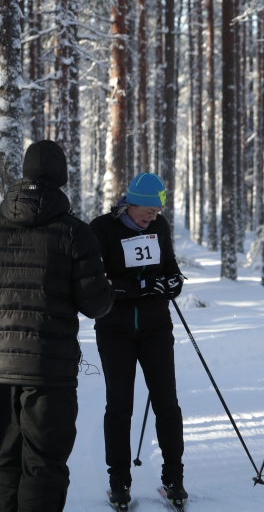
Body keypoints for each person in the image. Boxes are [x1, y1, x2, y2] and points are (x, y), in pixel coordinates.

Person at [0, 140, 115, 512]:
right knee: (44, 466)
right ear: (62, 177)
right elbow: (96, 304)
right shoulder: (74, 232)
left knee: (4, 463)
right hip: (49, 371)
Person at [89, 172, 187, 508]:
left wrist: (174, 282)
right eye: (147, 211)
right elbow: (98, 282)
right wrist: (141, 288)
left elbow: (170, 267)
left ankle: (174, 478)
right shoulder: (101, 228)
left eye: (157, 212)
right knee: (120, 405)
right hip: (115, 328)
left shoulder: (159, 228)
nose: (152, 218)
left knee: (167, 403)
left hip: (156, 326)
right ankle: (119, 480)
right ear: (129, 204)